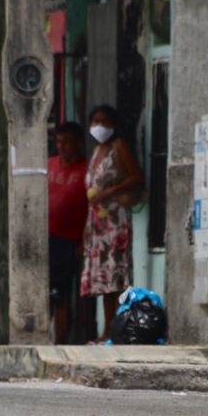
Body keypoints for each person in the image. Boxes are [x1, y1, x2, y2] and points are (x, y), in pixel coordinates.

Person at [80, 104, 143, 343]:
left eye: (105, 121)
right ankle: (107, 331)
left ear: (113, 125)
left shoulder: (119, 147)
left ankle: (113, 331)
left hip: (115, 221)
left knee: (115, 279)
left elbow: (136, 177)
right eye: (96, 121)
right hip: (97, 223)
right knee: (103, 281)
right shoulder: (97, 150)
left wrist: (109, 191)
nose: (100, 126)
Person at [48, 121, 88, 344]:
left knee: (62, 295)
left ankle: (61, 341)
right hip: (45, 238)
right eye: (59, 142)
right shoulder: (50, 165)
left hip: (69, 241)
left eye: (67, 142)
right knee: (43, 295)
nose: (62, 147)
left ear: (79, 144)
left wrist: (83, 242)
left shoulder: (87, 169)